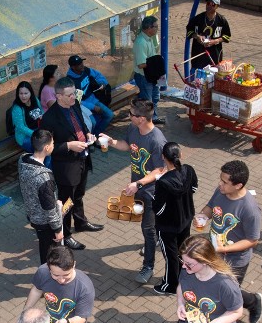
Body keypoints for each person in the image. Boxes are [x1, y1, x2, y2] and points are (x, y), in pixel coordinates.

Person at [101, 99, 166, 285]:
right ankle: (153, 241)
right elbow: (126, 145)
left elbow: (160, 170)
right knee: (147, 226)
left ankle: (148, 266)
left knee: (148, 228)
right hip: (138, 186)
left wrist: (138, 183)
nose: (128, 116)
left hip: (152, 191)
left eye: (131, 114)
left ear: (141, 118)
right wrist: (111, 141)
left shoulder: (157, 140)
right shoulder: (133, 129)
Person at [195, 160, 262, 323]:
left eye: (225, 182)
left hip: (235, 260)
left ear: (238, 185)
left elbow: (253, 240)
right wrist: (202, 216)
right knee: (217, 287)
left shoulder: (250, 209)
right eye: (221, 179)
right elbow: (210, 207)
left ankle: (253, 303)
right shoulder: (221, 192)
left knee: (226, 292)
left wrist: (226, 248)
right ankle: (249, 302)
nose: (220, 184)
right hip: (214, 252)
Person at [40, 77, 104, 251]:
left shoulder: (74, 105)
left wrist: (88, 135)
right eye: (69, 95)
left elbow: (82, 126)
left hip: (83, 158)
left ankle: (81, 222)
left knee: (79, 194)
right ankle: (65, 234)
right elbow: (46, 148)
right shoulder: (49, 118)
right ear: (58, 96)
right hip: (66, 167)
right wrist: (69, 146)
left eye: (74, 93)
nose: (73, 98)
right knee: (66, 201)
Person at [153, 142, 198, 296]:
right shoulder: (189, 170)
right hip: (186, 220)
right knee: (183, 250)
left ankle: (170, 285)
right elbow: (193, 189)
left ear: (163, 157)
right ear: (180, 155)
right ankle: (185, 275)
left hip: (168, 227)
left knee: (171, 256)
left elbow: (158, 209)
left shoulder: (163, 182)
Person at [19, 129, 63, 264]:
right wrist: (58, 229)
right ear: (47, 147)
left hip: (33, 214)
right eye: (53, 143)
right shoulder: (44, 178)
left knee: (44, 246)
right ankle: (48, 275)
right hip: (45, 222)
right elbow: (49, 209)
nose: (54, 145)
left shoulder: (23, 159)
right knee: (49, 252)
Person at [66, 55, 114, 134]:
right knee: (92, 122)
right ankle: (90, 138)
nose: (82, 65)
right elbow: (77, 101)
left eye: (82, 62)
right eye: (79, 64)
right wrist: (93, 107)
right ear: (73, 67)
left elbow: (98, 75)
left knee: (109, 115)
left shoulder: (86, 70)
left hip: (93, 98)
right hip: (82, 105)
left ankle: (96, 135)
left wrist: (102, 83)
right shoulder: (71, 81)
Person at [133, 15, 166, 124]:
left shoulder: (150, 38)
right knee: (147, 102)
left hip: (152, 75)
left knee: (155, 98)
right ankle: (145, 123)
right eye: (156, 26)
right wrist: (156, 64)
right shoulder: (140, 42)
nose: (157, 29)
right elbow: (141, 64)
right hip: (144, 77)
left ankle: (153, 118)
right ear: (148, 28)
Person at [186, 0, 231, 71]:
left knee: (212, 80)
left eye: (212, 4)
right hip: (198, 55)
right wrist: (197, 36)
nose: (209, 6)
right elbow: (189, 31)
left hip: (214, 57)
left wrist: (215, 41)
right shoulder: (198, 19)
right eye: (208, 3)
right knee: (195, 80)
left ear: (217, 6)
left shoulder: (222, 20)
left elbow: (227, 36)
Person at [11, 81, 43, 153]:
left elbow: (41, 111)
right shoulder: (17, 108)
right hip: (25, 136)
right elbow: (21, 127)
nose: (23, 96)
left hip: (38, 131)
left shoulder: (35, 100)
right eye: (21, 93)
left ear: (30, 93)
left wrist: (42, 116)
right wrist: (35, 134)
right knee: (42, 149)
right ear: (18, 94)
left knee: (50, 143)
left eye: (26, 93)